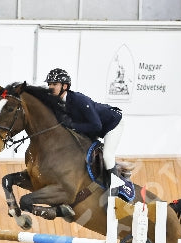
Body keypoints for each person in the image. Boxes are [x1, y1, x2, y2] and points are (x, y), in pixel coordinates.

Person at [44, 68, 134, 201]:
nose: (51, 87)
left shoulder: (79, 99)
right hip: (92, 129)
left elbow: (96, 125)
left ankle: (114, 192)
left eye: (54, 84)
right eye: (49, 84)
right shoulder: (56, 104)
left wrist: (73, 126)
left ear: (65, 86)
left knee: (108, 156)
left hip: (112, 124)